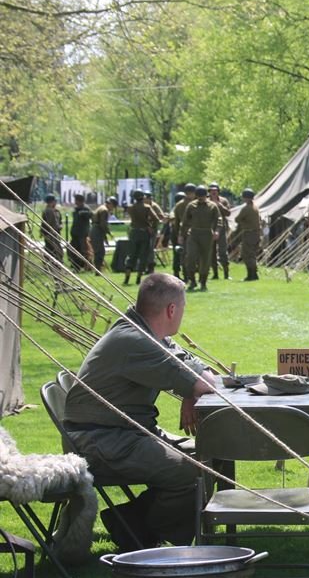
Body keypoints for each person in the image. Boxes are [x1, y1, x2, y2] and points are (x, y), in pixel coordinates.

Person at [63, 273, 215, 550]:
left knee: (212, 452)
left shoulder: (143, 331)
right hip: (100, 441)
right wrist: (192, 389)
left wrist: (190, 392)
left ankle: (129, 523)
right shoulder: (134, 340)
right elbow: (205, 382)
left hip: (120, 433)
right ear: (171, 310)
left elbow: (193, 367)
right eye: (182, 308)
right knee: (189, 472)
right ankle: (139, 530)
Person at [180, 185, 220, 292]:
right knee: (190, 257)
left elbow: (218, 220)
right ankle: (192, 280)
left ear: (206, 196)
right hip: (194, 234)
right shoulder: (191, 206)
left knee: (205, 259)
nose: (201, 198)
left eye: (202, 196)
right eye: (199, 197)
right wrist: (181, 235)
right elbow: (185, 221)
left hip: (207, 234)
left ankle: (203, 282)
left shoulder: (212, 206)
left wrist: (217, 231)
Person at [124, 189, 160, 286]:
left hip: (134, 232)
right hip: (144, 233)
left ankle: (127, 278)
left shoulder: (130, 208)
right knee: (143, 255)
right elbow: (156, 219)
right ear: (143, 197)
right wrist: (151, 227)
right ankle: (138, 279)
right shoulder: (147, 207)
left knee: (132, 255)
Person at [233, 188, 260, 281]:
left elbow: (237, 219)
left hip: (249, 233)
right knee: (251, 254)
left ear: (246, 198)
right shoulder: (255, 207)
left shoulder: (246, 208)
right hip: (255, 233)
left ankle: (251, 275)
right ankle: (254, 274)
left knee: (247, 254)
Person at [207, 183, 231, 280]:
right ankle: (215, 273)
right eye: (211, 191)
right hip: (210, 229)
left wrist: (219, 204)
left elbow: (228, 213)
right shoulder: (206, 201)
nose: (213, 193)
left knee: (223, 251)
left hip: (221, 229)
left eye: (215, 191)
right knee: (211, 252)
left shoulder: (223, 201)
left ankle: (226, 273)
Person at [172, 186, 195, 280]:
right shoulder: (191, 204)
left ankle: (185, 274)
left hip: (183, 232)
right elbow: (178, 222)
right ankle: (187, 275)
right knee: (186, 255)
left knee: (183, 255)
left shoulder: (179, 205)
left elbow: (176, 223)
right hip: (187, 233)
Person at [90, 197, 118, 271]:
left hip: (95, 229)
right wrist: (109, 233)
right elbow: (103, 224)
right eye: (113, 206)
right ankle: (98, 269)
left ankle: (98, 268)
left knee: (98, 251)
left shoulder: (101, 208)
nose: (113, 208)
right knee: (100, 252)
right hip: (97, 230)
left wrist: (105, 236)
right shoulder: (104, 210)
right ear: (111, 204)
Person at [143, 190, 166, 274]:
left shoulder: (154, 206)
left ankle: (150, 266)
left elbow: (161, 216)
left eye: (146, 198)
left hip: (152, 230)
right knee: (144, 248)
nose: (144, 200)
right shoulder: (143, 206)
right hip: (145, 229)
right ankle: (144, 266)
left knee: (150, 248)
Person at [69, 193, 93, 271]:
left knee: (84, 251)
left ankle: (87, 266)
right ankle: (76, 266)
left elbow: (91, 215)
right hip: (75, 234)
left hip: (82, 235)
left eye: (76, 200)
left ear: (80, 201)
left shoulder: (85, 209)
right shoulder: (76, 209)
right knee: (73, 250)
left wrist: (83, 213)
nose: (75, 202)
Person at [41, 193, 63, 264]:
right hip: (51, 233)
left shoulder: (55, 211)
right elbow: (49, 224)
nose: (55, 203)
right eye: (54, 201)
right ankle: (54, 264)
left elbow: (59, 221)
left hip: (54, 233)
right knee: (53, 249)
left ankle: (54, 264)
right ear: (51, 202)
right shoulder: (49, 211)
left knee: (52, 249)